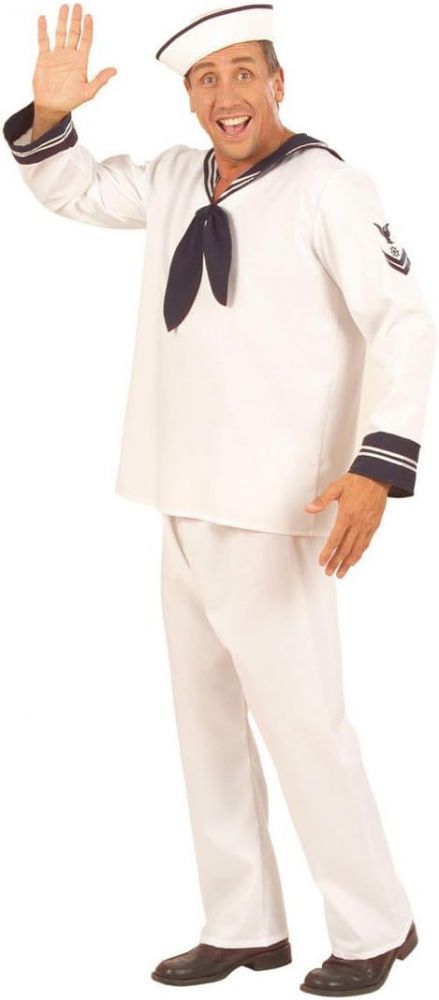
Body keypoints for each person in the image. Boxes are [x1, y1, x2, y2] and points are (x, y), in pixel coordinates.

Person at [3, 3, 436, 995]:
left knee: (304, 722)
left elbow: (404, 324)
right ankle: (242, 922)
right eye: (205, 79)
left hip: (279, 499)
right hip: (181, 489)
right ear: (190, 99)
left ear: (277, 83)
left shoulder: (328, 187)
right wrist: (50, 112)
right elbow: (69, 187)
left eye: (242, 72)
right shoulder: (171, 178)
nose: (225, 94)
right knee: (205, 722)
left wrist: (376, 467)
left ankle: (375, 924)